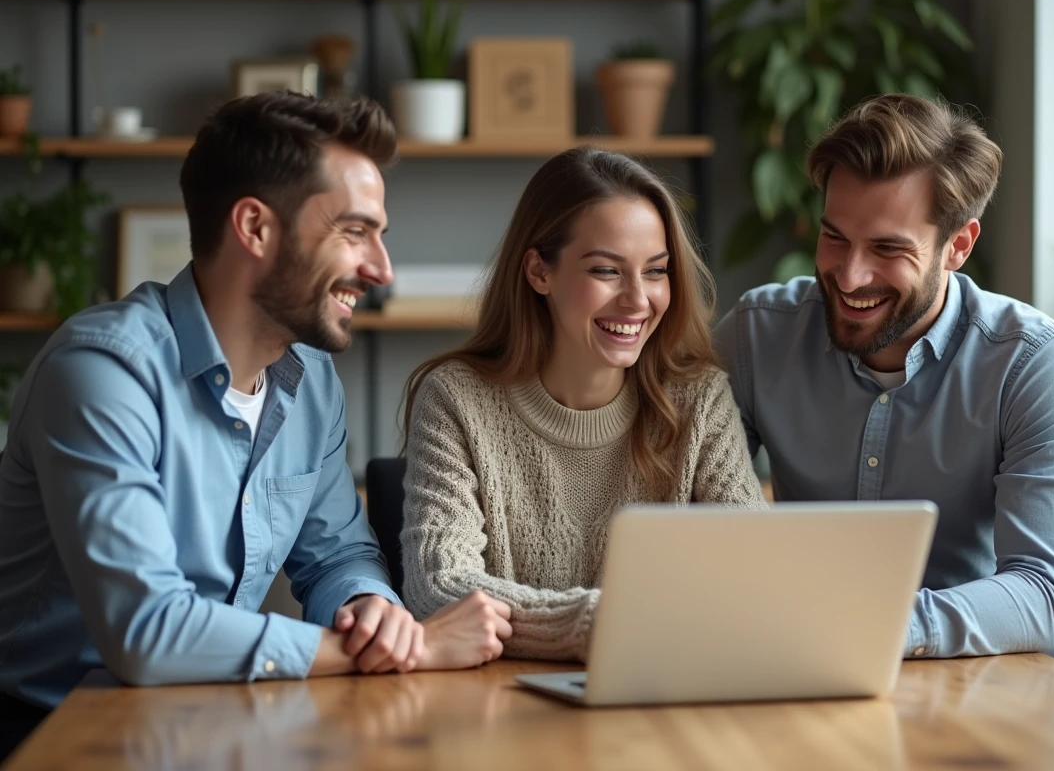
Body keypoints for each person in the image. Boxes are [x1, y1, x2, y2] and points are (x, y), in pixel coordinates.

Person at [0, 92, 510, 758]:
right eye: (354, 232)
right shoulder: (102, 373)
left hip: (212, 716)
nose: (381, 269)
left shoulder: (309, 379)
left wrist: (371, 613)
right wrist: (390, 650)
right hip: (52, 734)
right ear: (255, 228)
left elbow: (338, 555)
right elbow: (146, 632)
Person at [714, 93, 1054, 660]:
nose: (849, 275)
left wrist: (871, 627)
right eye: (834, 237)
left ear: (958, 247)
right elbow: (680, 512)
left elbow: (1047, 598)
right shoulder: (756, 335)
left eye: (887, 248)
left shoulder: (1033, 363)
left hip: (966, 690)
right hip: (790, 669)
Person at [398, 147, 766, 662]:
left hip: (658, 702)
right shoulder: (456, 399)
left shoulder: (699, 400)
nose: (638, 300)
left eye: (656, 271)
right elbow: (442, 587)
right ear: (538, 272)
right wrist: (605, 623)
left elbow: (755, 571)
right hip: (498, 713)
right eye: (606, 271)